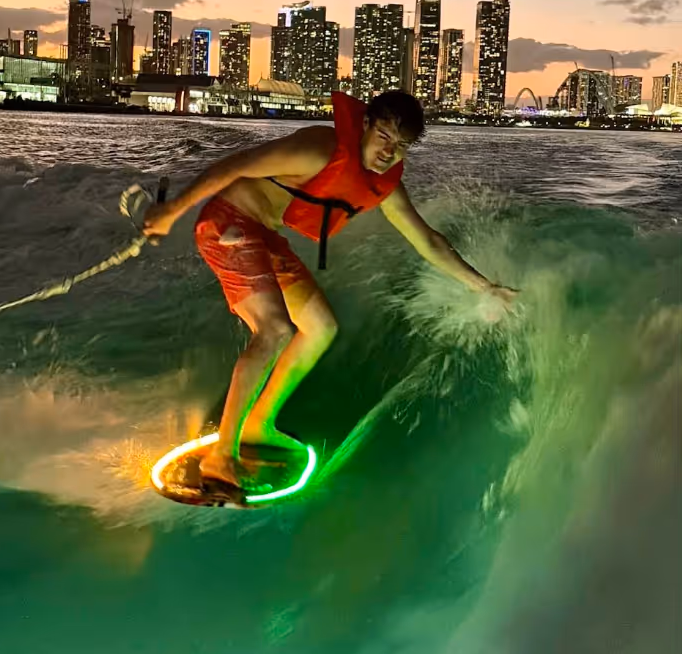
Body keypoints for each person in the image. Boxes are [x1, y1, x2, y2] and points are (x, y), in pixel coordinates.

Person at [143, 90, 516, 492]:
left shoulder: (383, 185)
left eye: (401, 145)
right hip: (227, 226)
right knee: (275, 330)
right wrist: (171, 211)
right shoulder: (317, 150)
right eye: (384, 137)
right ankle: (221, 458)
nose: (389, 152)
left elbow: (427, 240)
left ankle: (258, 424)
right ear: (366, 124)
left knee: (320, 328)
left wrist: (486, 287)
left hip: (263, 235)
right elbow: (236, 165)